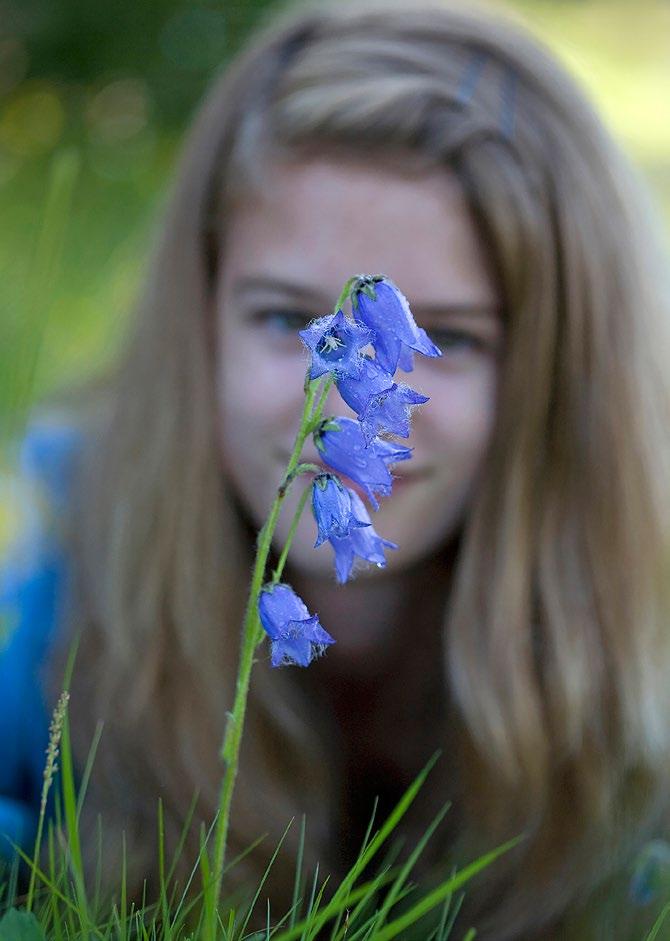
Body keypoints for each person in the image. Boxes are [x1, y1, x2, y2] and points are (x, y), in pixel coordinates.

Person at [2, 0, 670, 936]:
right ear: (196, 324)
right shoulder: (37, 569)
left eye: (448, 338)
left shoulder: (651, 651)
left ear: (561, 375)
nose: (347, 393)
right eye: (285, 318)